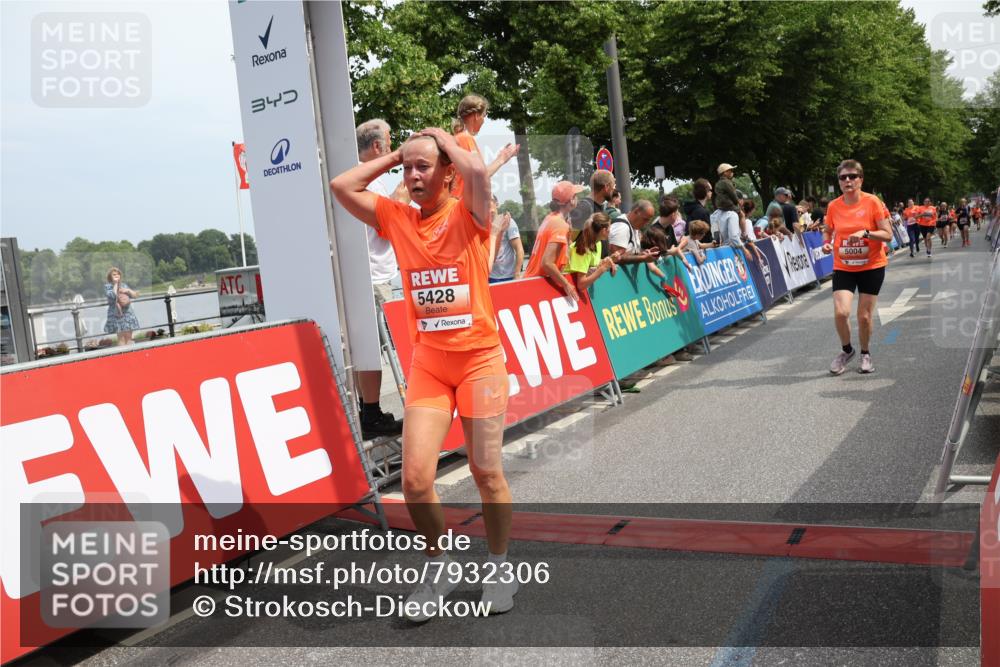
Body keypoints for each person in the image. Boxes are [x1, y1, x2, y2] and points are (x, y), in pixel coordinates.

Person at [330, 126, 517, 619]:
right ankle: (441, 567)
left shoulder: (471, 214)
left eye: (422, 167)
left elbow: (477, 170)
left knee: (486, 472)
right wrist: (400, 152)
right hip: (430, 366)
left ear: (448, 174)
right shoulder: (398, 219)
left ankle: (499, 571)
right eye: (406, 169)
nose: (411, 176)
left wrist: (442, 142)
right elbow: (342, 186)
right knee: (414, 481)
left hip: (479, 361)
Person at [353, 119, 405, 440]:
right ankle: (371, 412)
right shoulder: (370, 183)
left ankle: (368, 409)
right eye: (389, 140)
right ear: (377, 146)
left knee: (369, 348)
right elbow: (386, 224)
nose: (390, 145)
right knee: (376, 348)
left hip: (374, 275)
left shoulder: (365, 179)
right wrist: (403, 197)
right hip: (376, 277)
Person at [821, 160, 893, 375]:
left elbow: (887, 234)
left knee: (864, 317)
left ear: (861, 179)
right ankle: (847, 350)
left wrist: (866, 233)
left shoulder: (873, 202)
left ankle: (865, 353)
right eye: (843, 177)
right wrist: (826, 243)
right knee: (841, 313)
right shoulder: (834, 206)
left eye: (852, 176)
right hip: (843, 266)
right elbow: (828, 230)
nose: (848, 181)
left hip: (872, 265)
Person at [523, 180, 585, 301]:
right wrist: (566, 284)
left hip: (532, 282)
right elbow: (547, 263)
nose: (578, 198)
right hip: (538, 286)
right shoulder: (560, 224)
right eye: (575, 196)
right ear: (571, 200)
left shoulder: (550, 218)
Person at [450, 94, 519, 199]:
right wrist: (503, 157)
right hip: (460, 206)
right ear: (477, 116)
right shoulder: (465, 139)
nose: (484, 121)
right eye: (484, 116)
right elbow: (480, 176)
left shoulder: (458, 138)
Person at [565, 213, 619, 292]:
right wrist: (603, 268)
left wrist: (607, 261)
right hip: (567, 289)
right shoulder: (583, 248)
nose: (610, 231)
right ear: (604, 230)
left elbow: (591, 263)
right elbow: (581, 285)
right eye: (609, 228)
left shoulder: (598, 243)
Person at [489, 199, 524, 283]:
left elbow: (519, 249)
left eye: (490, 201)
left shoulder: (508, 222)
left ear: (496, 204)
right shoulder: (481, 225)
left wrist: (517, 273)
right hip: (490, 276)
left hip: (509, 276)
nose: (488, 205)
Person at [104, 267, 140, 345]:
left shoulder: (124, 285)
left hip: (127, 314)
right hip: (117, 315)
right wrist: (116, 283)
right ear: (110, 277)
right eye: (114, 274)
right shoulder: (108, 287)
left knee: (129, 338)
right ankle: (123, 356)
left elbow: (135, 295)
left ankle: (131, 355)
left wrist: (127, 290)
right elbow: (113, 295)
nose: (116, 276)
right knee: (121, 339)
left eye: (118, 274)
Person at [712, 163, 742, 245]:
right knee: (742, 214)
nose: (732, 172)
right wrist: (738, 202)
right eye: (730, 171)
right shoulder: (727, 182)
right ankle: (745, 234)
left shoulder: (718, 183)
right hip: (729, 205)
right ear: (724, 172)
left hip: (721, 206)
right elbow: (732, 194)